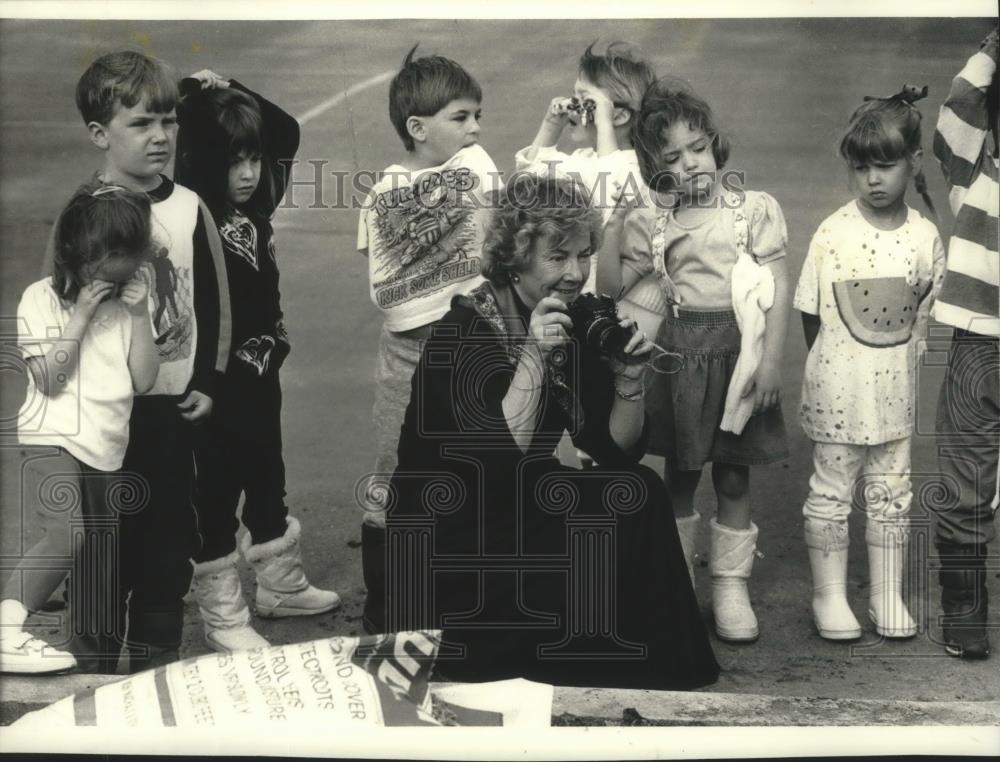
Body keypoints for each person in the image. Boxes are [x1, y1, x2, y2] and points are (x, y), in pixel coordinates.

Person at [366, 173, 719, 689]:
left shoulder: (563, 315)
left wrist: (628, 381)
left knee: (638, 492)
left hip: (516, 502)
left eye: (583, 256)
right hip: (453, 531)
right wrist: (534, 353)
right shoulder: (461, 333)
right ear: (514, 258)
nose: (576, 274)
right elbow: (493, 457)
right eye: (559, 258)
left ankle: (662, 671)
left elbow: (614, 451)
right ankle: (561, 657)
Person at [61, 50, 231, 672]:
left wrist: (209, 379)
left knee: (167, 543)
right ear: (101, 134)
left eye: (168, 121)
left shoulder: (189, 206)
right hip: (105, 415)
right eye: (141, 124)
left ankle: (158, 662)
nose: (160, 136)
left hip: (170, 411)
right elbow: (64, 313)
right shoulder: (86, 214)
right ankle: (92, 667)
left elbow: (215, 301)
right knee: (104, 545)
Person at [174, 69, 340, 653]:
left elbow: (286, 132)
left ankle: (280, 585)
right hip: (216, 382)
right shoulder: (189, 217)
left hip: (263, 372)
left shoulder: (259, 198)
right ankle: (222, 614)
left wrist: (231, 84)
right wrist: (191, 105)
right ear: (200, 159)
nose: (248, 174)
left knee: (268, 475)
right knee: (215, 491)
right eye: (233, 161)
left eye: (252, 159)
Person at [631, 79, 790, 642]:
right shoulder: (658, 224)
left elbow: (777, 284)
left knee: (733, 476)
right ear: (656, 170)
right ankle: (676, 585)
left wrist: (772, 362)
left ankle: (729, 587)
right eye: (672, 157)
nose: (692, 164)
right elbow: (628, 290)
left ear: (714, 143)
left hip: (736, 359)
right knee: (679, 474)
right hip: (680, 362)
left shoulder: (751, 210)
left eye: (697, 147)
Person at [793, 88, 946, 641]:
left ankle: (887, 595)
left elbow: (921, 322)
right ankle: (828, 596)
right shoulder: (833, 232)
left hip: (894, 398)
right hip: (838, 392)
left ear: (914, 162)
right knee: (831, 492)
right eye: (861, 168)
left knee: (891, 494)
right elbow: (812, 317)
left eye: (886, 165)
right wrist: (837, 365)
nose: (873, 179)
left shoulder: (926, 238)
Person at [357, 45, 501, 628]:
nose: (475, 128)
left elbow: (494, 235)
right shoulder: (385, 191)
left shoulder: (477, 167)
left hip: (469, 343)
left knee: (472, 464)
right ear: (417, 128)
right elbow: (380, 261)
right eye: (460, 117)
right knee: (393, 472)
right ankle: (385, 604)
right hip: (407, 351)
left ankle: (462, 591)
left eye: (476, 116)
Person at [1, 184, 158, 674]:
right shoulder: (40, 298)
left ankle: (88, 667)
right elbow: (47, 379)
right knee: (67, 537)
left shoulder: (130, 304)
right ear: (78, 258)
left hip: (107, 447)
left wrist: (135, 312)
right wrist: (85, 312)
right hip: (52, 438)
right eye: (109, 262)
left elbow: (144, 378)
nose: (119, 273)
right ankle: (5, 627)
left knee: (96, 565)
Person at [515, 42, 664, 338]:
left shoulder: (637, 168)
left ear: (617, 117)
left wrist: (604, 123)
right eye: (573, 97)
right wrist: (549, 126)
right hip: (575, 278)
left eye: (584, 101)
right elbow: (530, 183)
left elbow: (609, 195)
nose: (572, 106)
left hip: (613, 295)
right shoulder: (585, 159)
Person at [930, 27, 999, 660]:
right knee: (964, 480)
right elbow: (956, 112)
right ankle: (966, 613)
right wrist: (995, 46)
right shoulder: (974, 172)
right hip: (982, 344)